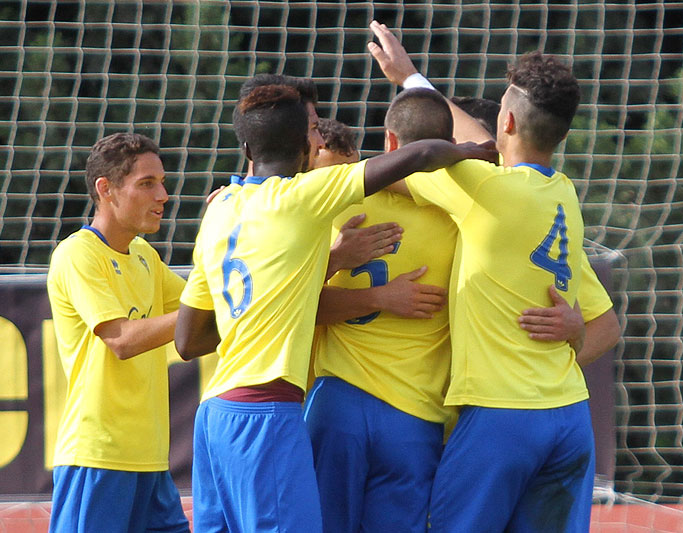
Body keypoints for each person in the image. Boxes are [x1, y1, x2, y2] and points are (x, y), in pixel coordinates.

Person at [174, 83, 496, 532]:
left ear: (246, 146)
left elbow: (187, 340)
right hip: (268, 411)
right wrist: (475, 154)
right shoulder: (305, 197)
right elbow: (420, 156)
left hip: (214, 416)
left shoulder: (220, 208)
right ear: (312, 144)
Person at [368, 21, 620, 532]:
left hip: (502, 417)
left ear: (506, 119)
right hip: (569, 414)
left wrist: (409, 79)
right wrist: (411, 77)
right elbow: (607, 329)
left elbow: (407, 159)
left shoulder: (484, 190)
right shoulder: (564, 196)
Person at [304, 88, 458, 533]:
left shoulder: (333, 201)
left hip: (338, 403)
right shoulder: (463, 215)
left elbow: (293, 305)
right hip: (415, 412)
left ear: (388, 141)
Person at [46, 133, 217, 532]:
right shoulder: (78, 254)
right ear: (105, 190)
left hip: (152, 462)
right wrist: (211, 306)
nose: (164, 195)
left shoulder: (144, 255)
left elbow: (208, 316)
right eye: (146, 184)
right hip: (99, 458)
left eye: (161, 181)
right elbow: (121, 340)